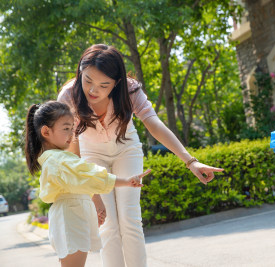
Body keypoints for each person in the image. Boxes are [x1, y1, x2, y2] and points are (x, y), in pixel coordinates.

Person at [57, 44, 223, 267]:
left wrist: (190, 161)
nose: (93, 90)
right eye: (87, 80)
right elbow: (71, 147)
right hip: (90, 155)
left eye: (103, 85)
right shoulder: (68, 95)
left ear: (116, 83)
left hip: (127, 150)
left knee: (130, 220)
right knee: (107, 225)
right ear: (80, 71)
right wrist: (93, 194)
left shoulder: (130, 89)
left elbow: (154, 124)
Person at [24, 101, 151, 267]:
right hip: (70, 219)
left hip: (70, 216)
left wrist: (92, 211)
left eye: (72, 128)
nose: (72, 134)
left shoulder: (57, 159)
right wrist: (126, 181)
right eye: (65, 128)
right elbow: (91, 176)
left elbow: (81, 184)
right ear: (46, 131)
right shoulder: (60, 160)